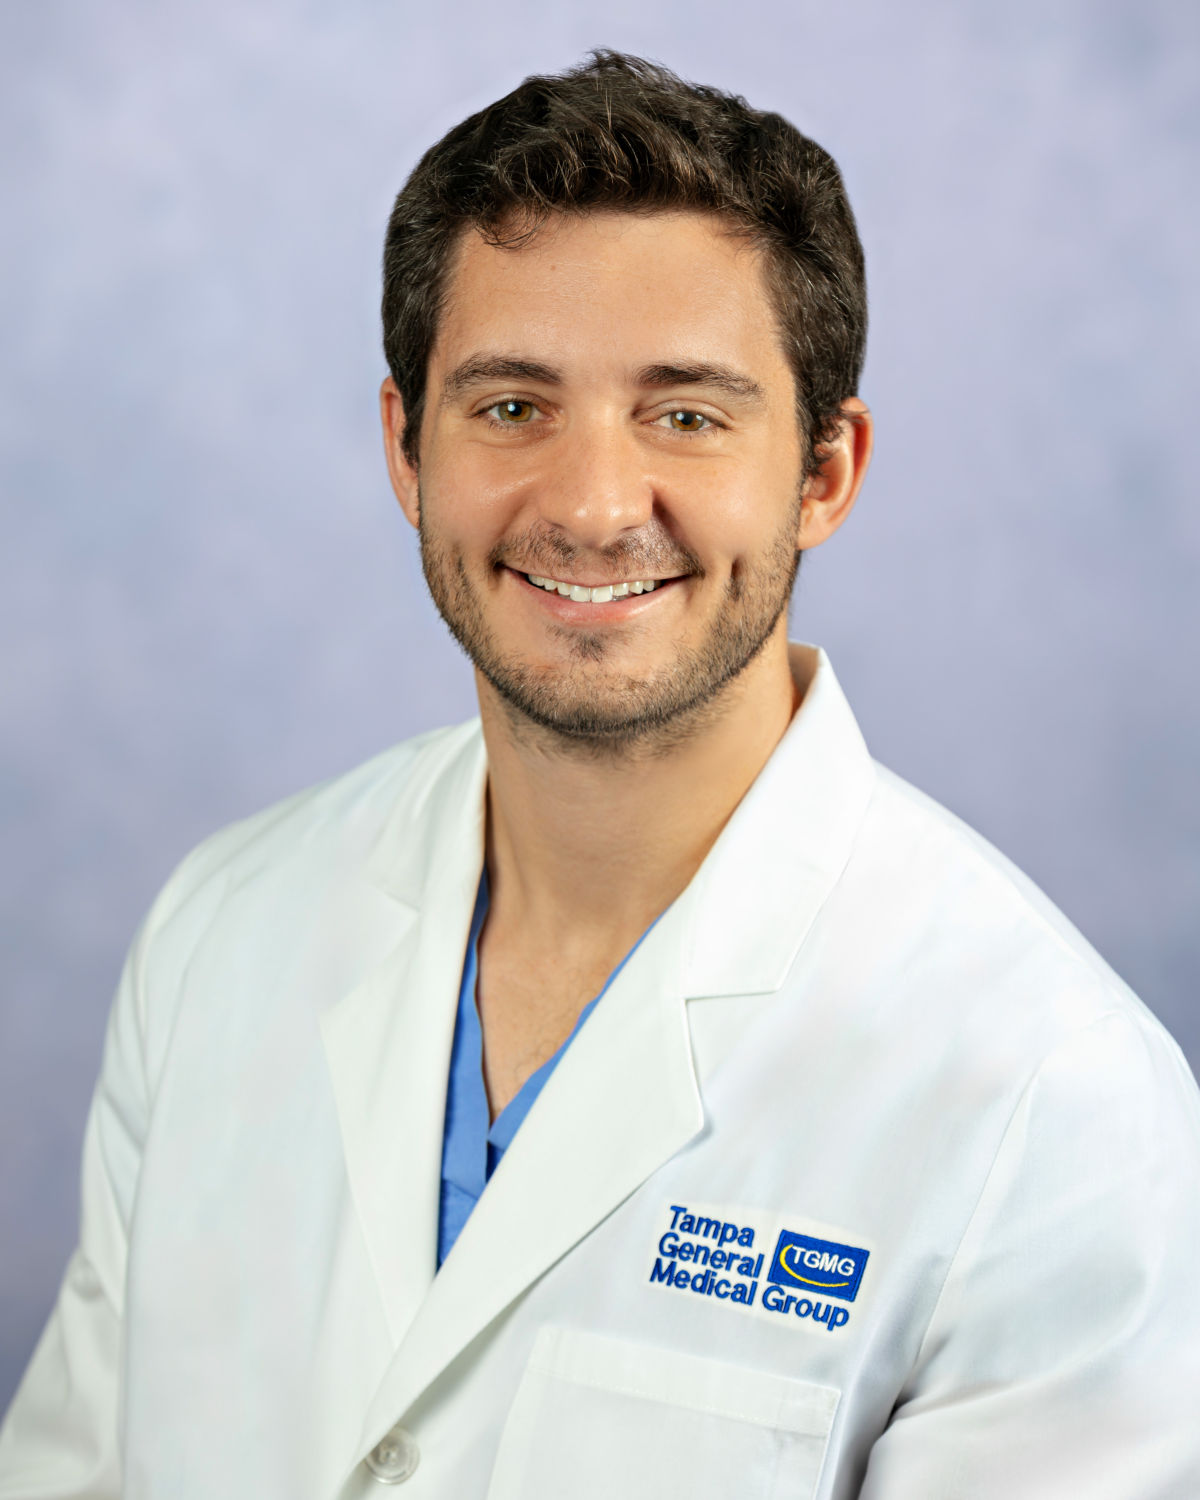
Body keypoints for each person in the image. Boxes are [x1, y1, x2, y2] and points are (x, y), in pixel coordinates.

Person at [2, 48, 1198, 1500]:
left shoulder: (1054, 1105)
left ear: (825, 471)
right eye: (513, 406)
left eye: (686, 414)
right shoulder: (220, 934)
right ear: (406, 449)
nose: (589, 504)